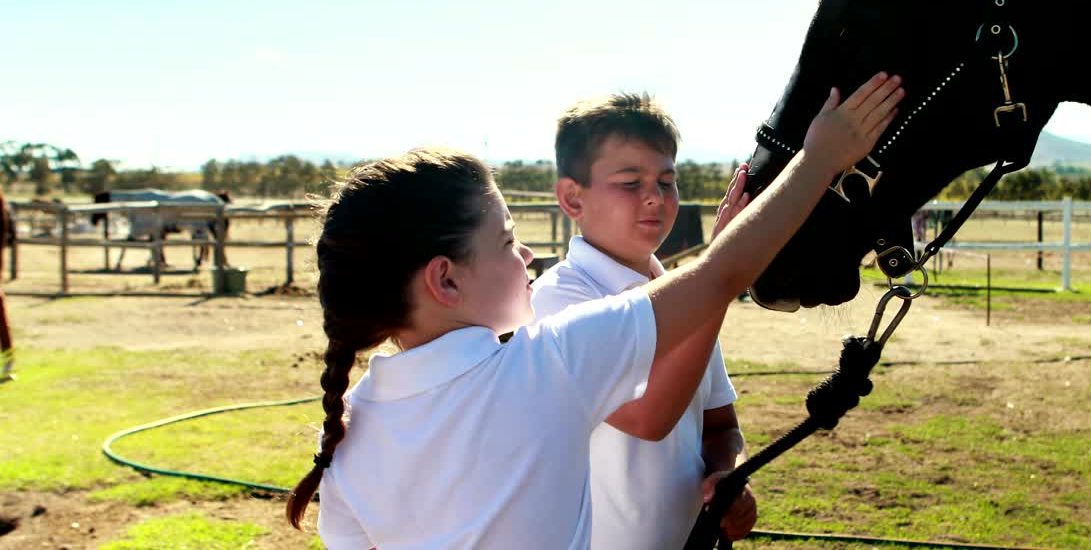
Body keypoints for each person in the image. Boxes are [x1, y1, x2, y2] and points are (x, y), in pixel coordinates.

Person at [285, 74, 903, 549]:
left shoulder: (344, 433)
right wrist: (820, 159)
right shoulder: (546, 363)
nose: (526, 252)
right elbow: (721, 276)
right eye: (505, 240)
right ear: (445, 279)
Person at [532, 92, 755, 547]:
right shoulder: (557, 299)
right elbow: (646, 419)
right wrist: (718, 279)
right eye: (631, 183)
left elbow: (720, 426)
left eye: (667, 181)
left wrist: (727, 478)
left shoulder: (687, 290)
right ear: (572, 198)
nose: (654, 197)